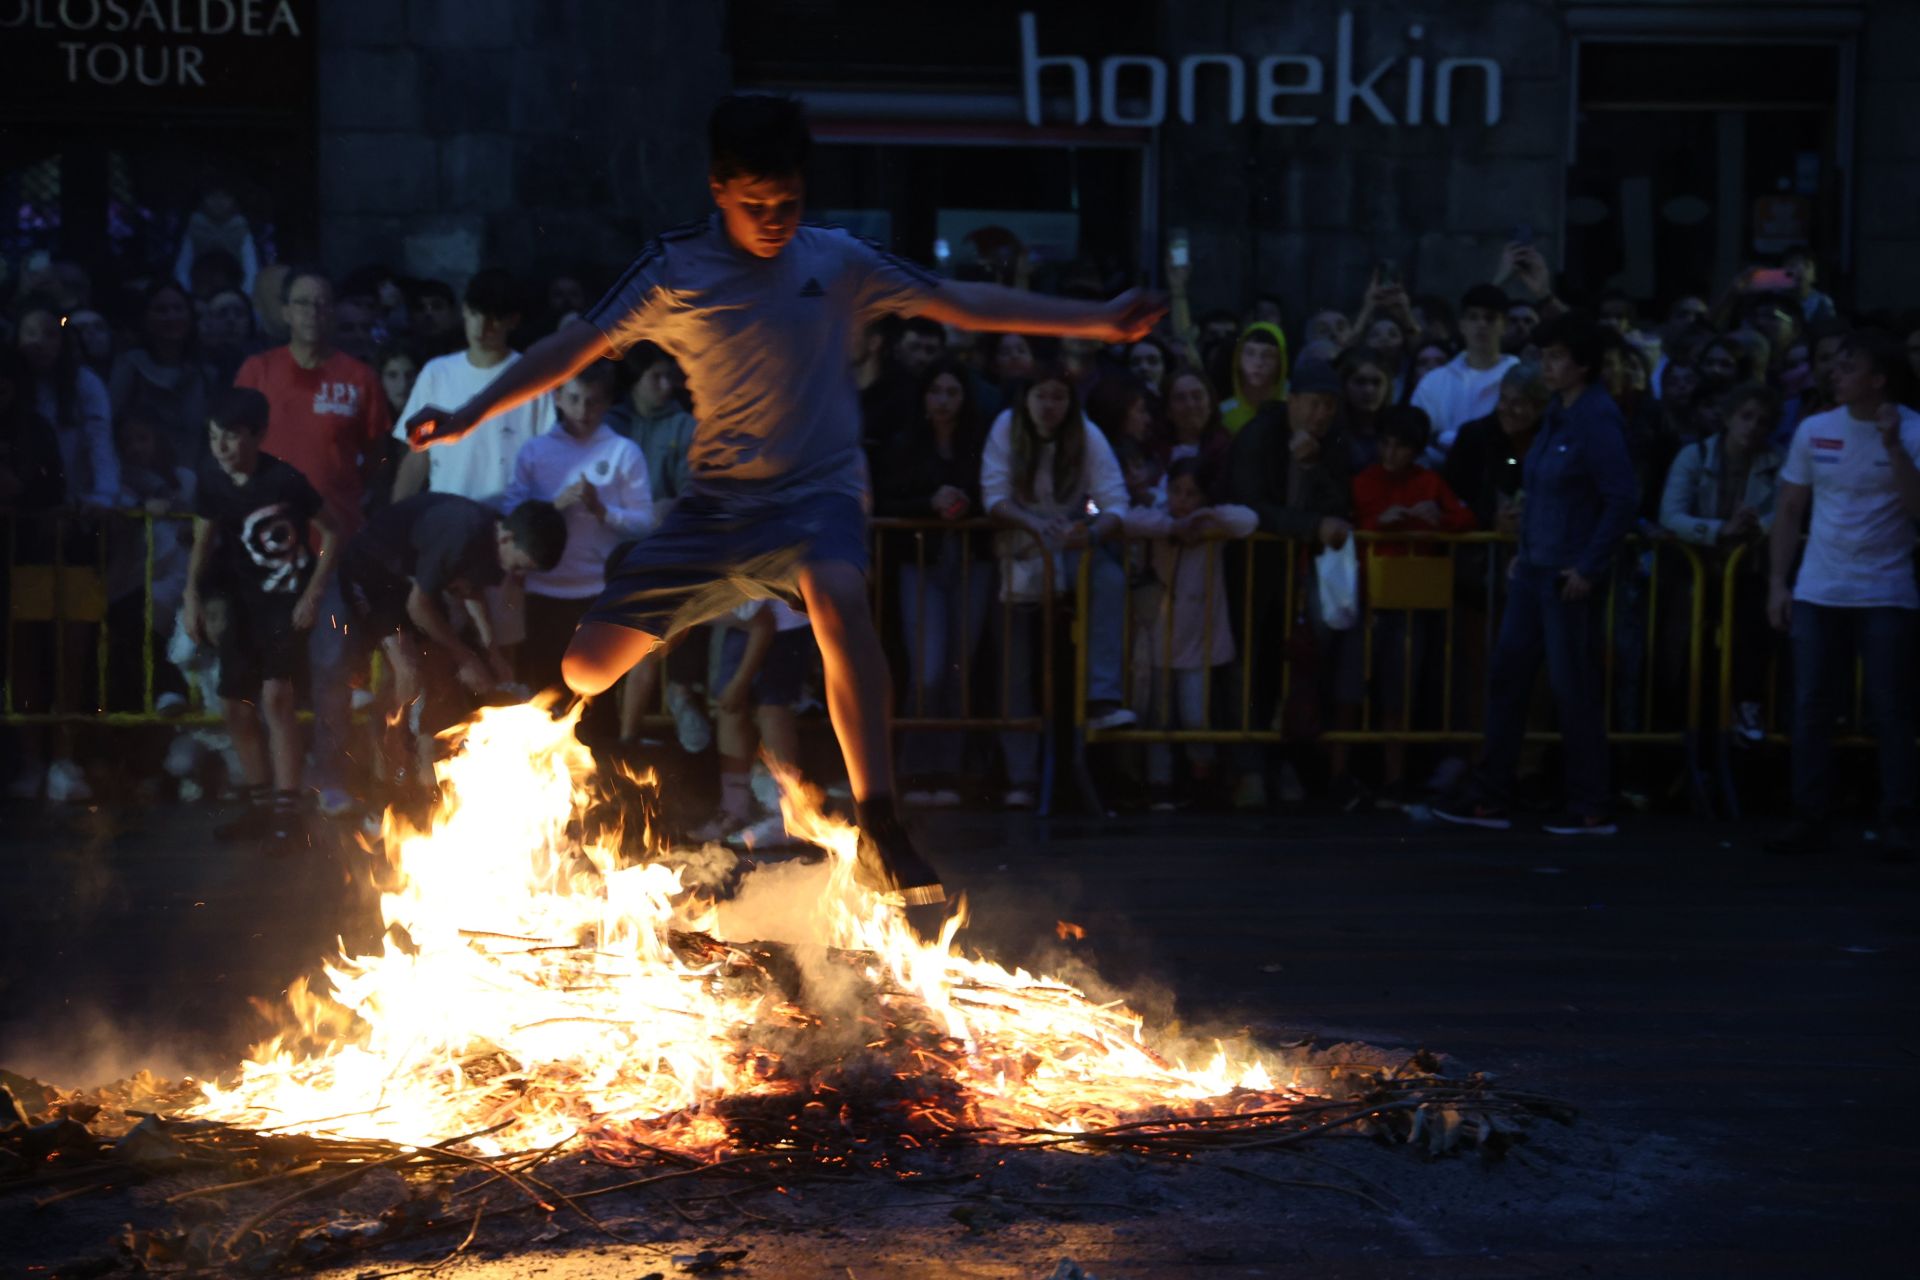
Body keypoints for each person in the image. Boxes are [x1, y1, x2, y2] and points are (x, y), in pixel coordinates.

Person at [402, 93, 1162, 916]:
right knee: (584, 669)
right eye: (753, 204)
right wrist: (472, 411)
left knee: (838, 597)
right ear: (718, 188)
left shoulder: (835, 260)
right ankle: (622, 668)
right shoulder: (673, 266)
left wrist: (1097, 323)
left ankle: (881, 821)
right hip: (717, 511)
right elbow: (570, 344)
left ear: (806, 189)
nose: (772, 220)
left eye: (788, 203)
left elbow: (959, 299)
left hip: (816, 498)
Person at [1434, 313, 1636, 837]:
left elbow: (1621, 498)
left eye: (1555, 357)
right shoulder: (1559, 414)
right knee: (1508, 678)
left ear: (1583, 364)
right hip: (1538, 570)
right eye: (1544, 356)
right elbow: (1541, 489)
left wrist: (1588, 567)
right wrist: (1526, 550)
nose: (1545, 365)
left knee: (1572, 689)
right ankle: (1493, 793)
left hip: (1566, 576)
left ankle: (1590, 802)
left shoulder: (1596, 418)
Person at [232, 266, 392, 813]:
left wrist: (340, 500)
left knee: (331, 669)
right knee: (263, 673)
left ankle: (329, 776)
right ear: (285, 310)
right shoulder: (258, 370)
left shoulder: (359, 378)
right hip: (264, 553)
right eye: (302, 303)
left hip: (331, 551)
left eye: (322, 303)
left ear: (334, 311)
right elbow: (233, 445)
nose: (312, 313)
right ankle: (267, 781)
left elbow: (375, 454)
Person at [1763, 332, 1920, 858]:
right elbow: (1789, 510)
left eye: (1850, 367)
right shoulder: (1814, 429)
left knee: (1891, 710)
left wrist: (1894, 444)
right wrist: (1778, 582)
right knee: (1810, 706)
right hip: (1820, 589)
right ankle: (1809, 816)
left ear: (1878, 380)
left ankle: (1898, 819)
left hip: (1886, 591)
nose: (1835, 373)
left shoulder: (1915, 431)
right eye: (1836, 365)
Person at [182, 388, 338, 851]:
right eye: (214, 438)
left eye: (231, 438)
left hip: (285, 601)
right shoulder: (211, 480)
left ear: (257, 436)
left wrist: (313, 591)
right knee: (233, 702)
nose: (222, 448)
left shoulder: (285, 481)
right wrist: (193, 594)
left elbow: (333, 531)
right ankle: (258, 802)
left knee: (276, 699)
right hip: (242, 602)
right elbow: (203, 537)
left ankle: (288, 811)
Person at [983, 365, 1138, 807]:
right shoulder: (1006, 429)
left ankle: (1102, 700)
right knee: (1017, 663)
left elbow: (1116, 501)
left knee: (1108, 579)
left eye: (1058, 398)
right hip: (1019, 550)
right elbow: (993, 497)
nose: (1050, 407)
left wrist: (1087, 532)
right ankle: (1021, 774)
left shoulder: (1086, 434)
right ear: (1027, 398)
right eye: (1042, 397)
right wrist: (1033, 525)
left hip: (1070, 546)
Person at [337, 494, 566, 781]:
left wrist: (491, 651)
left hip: (408, 582)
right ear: (507, 538)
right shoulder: (464, 533)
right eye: (520, 566)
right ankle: (387, 766)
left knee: (438, 664)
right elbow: (418, 606)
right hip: (370, 573)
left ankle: (423, 760)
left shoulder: (494, 538)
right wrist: (467, 657)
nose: (517, 574)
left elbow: (470, 590)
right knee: (407, 668)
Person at [874, 359, 992, 805]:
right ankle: (917, 770)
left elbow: (995, 490)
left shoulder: (977, 446)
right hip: (920, 559)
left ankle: (951, 771)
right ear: (924, 397)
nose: (943, 401)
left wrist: (966, 502)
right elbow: (886, 496)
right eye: (937, 391)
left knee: (959, 667)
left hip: (969, 560)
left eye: (953, 392)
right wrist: (930, 501)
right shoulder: (905, 444)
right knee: (930, 665)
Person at [503, 360, 654, 695]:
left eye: (593, 401)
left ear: (606, 401)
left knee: (596, 698)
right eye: (574, 399)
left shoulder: (622, 452)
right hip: (543, 589)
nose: (583, 410)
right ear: (557, 397)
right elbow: (511, 514)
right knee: (541, 696)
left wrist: (603, 510)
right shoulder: (535, 451)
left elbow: (643, 523)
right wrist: (553, 508)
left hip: (599, 591)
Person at [1351, 405, 1475, 804]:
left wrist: (1438, 518)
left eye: (1400, 447)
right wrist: (1375, 525)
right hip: (1369, 598)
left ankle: (1394, 776)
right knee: (1357, 687)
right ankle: (1355, 772)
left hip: (1411, 598)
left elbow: (1465, 520)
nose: (1390, 454)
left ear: (1415, 450)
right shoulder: (1364, 481)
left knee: (1398, 688)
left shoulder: (1429, 482)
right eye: (1385, 444)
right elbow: (1350, 524)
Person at [1120, 458, 1257, 809]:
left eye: (1191, 494)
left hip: (1199, 638)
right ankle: (1160, 783)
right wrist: (1171, 526)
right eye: (1177, 491)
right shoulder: (1159, 517)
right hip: (1158, 638)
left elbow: (1248, 520)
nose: (1182, 500)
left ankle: (1201, 774)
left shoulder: (1212, 526)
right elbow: (1130, 519)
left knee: (1195, 714)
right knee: (1158, 717)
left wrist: (1206, 518)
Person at [1658, 382, 1783, 744]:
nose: (1752, 427)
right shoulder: (1694, 456)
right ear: (1728, 417)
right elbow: (1670, 514)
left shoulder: (1778, 462)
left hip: (1747, 573)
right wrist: (1718, 530)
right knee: (1683, 657)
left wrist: (1756, 527)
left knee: (1749, 641)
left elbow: (1787, 508)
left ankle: (1746, 710)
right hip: (1693, 573)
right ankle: (1680, 731)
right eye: (1746, 417)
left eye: (1762, 421)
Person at [391, 269, 551, 511]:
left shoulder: (532, 378)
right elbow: (417, 457)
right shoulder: (437, 373)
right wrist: (394, 519)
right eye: (475, 314)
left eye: (493, 318)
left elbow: (545, 462)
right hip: (446, 517)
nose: (482, 327)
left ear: (513, 320)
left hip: (508, 521)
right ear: (464, 311)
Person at [692, 598, 817, 847]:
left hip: (785, 626)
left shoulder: (740, 603)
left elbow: (764, 624)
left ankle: (785, 814)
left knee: (773, 710)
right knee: (730, 709)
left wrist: (740, 682)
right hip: (743, 625)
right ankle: (734, 808)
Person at [1412, 284, 1518, 466]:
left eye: (1490, 318)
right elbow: (1415, 434)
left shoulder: (1519, 376)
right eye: (1473, 317)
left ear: (1505, 325)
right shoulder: (1435, 381)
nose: (1481, 325)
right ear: (1462, 324)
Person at [110, 280, 212, 467]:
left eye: (178, 308)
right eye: (161, 310)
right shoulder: (129, 367)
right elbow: (113, 429)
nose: (171, 316)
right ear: (145, 318)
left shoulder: (205, 372)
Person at [605, 341, 697, 517]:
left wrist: (671, 506)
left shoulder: (682, 425)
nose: (666, 385)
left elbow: (691, 485)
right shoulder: (611, 424)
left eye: (668, 376)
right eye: (656, 377)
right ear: (636, 380)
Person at [173, 185, 259, 299]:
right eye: (212, 196)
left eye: (225, 196)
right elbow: (182, 270)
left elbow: (251, 270)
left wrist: (244, 297)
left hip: (233, 293)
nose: (219, 201)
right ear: (203, 199)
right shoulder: (194, 227)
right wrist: (187, 298)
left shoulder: (242, 230)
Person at [1219, 321, 1288, 433]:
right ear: (1238, 359)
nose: (1258, 362)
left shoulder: (1293, 409)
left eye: (1268, 355)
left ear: (1281, 362)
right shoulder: (1222, 413)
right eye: (1250, 353)